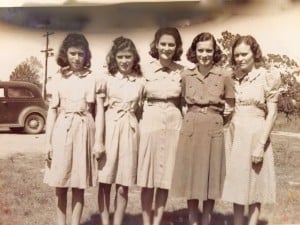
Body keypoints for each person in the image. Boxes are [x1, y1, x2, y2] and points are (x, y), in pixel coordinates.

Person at [171, 32, 235, 225]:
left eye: (209, 50)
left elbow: (230, 106)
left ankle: (206, 220)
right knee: (191, 175)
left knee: (210, 175)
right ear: (194, 51)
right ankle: (193, 220)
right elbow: (182, 102)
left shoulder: (224, 75)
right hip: (191, 126)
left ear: (214, 51)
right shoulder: (186, 75)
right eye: (201, 50)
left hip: (213, 127)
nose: (204, 54)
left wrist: (215, 121)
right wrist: (192, 118)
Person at [43, 33, 105, 225]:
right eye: (72, 53)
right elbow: (52, 112)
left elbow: (100, 112)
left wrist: (99, 141)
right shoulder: (58, 77)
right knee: (60, 183)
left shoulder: (94, 78)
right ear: (65, 54)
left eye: (81, 54)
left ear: (86, 55)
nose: (77, 58)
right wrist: (48, 142)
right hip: (62, 128)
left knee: (79, 184)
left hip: (85, 129)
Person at [222, 35, 281, 225]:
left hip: (256, 134)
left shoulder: (267, 76)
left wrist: (260, 145)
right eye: (237, 55)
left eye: (244, 54)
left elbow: (272, 113)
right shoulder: (232, 78)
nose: (240, 59)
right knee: (237, 185)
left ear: (254, 53)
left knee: (255, 185)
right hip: (235, 134)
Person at [137, 27, 184, 225]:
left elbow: (184, 102)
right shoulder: (144, 70)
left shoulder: (182, 71)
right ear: (156, 45)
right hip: (151, 123)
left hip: (173, 124)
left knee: (165, 178)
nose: (166, 48)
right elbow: (137, 103)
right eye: (163, 43)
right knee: (147, 178)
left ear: (177, 47)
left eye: (171, 44)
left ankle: (158, 222)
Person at [97, 36, 144, 225]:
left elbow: (140, 111)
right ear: (114, 58)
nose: (124, 61)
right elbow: (99, 110)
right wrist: (98, 140)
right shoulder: (106, 80)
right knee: (105, 181)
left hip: (130, 130)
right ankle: (105, 221)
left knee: (124, 184)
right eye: (120, 57)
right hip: (110, 128)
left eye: (128, 57)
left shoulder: (140, 82)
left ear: (134, 58)